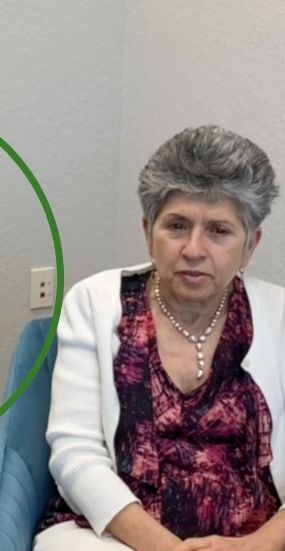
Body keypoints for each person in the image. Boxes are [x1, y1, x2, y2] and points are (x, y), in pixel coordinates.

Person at [34, 126, 285, 551]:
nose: (194, 249)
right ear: (149, 231)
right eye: (177, 226)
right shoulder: (94, 302)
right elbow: (75, 453)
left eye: (219, 231)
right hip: (117, 534)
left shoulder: (279, 315)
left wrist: (258, 545)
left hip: (254, 538)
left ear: (250, 245)